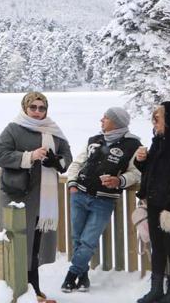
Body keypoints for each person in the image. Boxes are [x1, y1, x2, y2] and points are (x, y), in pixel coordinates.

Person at [0, 92, 72, 301]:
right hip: (18, 197)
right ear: (25, 108)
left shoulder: (53, 130)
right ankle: (16, 289)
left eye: (42, 108)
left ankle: (33, 288)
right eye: (33, 108)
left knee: (35, 244)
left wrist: (55, 161)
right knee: (19, 243)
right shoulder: (14, 128)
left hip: (43, 199)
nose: (38, 112)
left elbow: (67, 158)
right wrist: (29, 156)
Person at [60, 107, 141, 293]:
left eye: (105, 118)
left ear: (116, 122)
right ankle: (84, 276)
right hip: (78, 194)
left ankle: (71, 275)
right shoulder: (94, 140)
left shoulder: (133, 145)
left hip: (103, 200)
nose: (101, 120)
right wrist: (72, 183)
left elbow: (136, 173)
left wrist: (119, 181)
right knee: (77, 239)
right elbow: (77, 163)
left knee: (88, 241)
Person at [136, 101, 170, 303]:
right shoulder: (157, 142)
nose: (154, 121)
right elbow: (151, 173)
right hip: (154, 203)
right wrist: (141, 161)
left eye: (157, 117)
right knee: (158, 249)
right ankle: (156, 289)